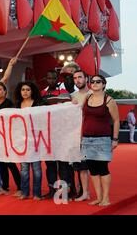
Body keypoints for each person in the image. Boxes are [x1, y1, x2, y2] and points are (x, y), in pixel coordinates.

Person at [81, 75, 120, 206]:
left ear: (103, 84)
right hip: (86, 139)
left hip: (102, 139)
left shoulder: (109, 100)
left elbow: (116, 120)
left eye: (98, 81)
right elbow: (82, 116)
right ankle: (98, 197)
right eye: (92, 81)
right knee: (92, 169)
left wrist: (115, 139)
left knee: (103, 168)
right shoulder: (87, 97)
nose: (95, 83)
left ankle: (106, 198)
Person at [41, 70, 72, 200]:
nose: (51, 80)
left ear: (57, 79)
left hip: (62, 133)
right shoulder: (42, 93)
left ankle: (65, 192)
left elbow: (69, 105)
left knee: (63, 165)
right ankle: (52, 191)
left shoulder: (64, 92)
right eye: (48, 78)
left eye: (53, 78)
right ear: (46, 79)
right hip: (47, 134)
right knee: (50, 165)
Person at [14, 82, 43, 200]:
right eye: (23, 90)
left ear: (32, 91)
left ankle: (37, 194)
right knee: (24, 169)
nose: (25, 92)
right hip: (22, 141)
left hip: (36, 141)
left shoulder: (38, 104)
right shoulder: (17, 105)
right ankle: (25, 192)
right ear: (20, 92)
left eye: (28, 90)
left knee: (36, 169)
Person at [0, 83, 22, 197]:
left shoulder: (9, 104)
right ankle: (5, 187)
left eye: (0, 89)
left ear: (5, 91)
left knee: (10, 164)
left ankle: (20, 187)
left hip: (8, 137)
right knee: (1, 164)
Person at [71, 70, 92, 201]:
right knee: (79, 166)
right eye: (75, 78)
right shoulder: (73, 96)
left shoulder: (92, 95)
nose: (77, 80)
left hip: (89, 135)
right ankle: (82, 191)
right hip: (74, 136)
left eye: (80, 77)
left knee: (88, 166)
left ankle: (86, 192)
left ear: (86, 79)